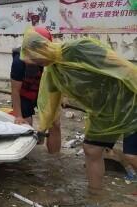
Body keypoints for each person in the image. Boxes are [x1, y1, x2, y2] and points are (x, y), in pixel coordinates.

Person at [21, 27, 137, 194]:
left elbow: (122, 67)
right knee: (91, 149)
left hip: (130, 101)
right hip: (103, 112)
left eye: (36, 60)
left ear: (43, 47)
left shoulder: (79, 48)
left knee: (132, 156)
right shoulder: (53, 71)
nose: (38, 66)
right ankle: (95, 194)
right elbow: (51, 104)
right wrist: (42, 129)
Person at [11, 27, 61, 153]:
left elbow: (59, 81)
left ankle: (54, 159)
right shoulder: (19, 61)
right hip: (25, 95)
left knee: (55, 124)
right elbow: (15, 91)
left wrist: (62, 98)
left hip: (46, 92)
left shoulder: (53, 57)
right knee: (25, 127)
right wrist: (18, 115)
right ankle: (29, 154)